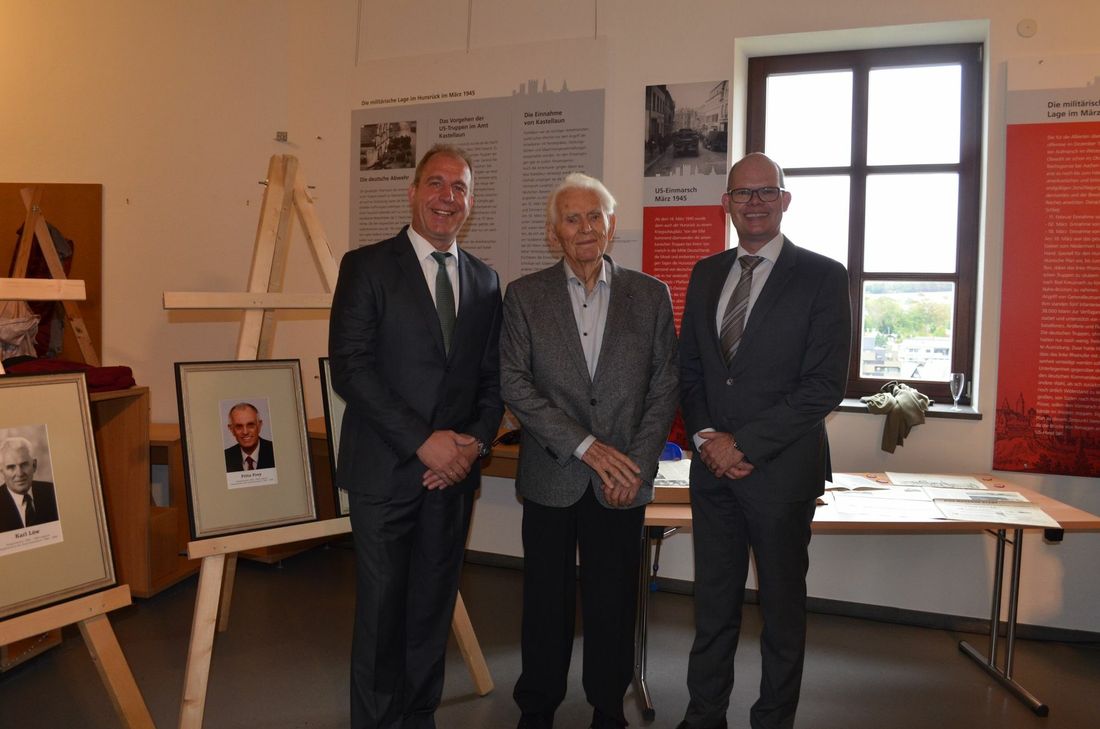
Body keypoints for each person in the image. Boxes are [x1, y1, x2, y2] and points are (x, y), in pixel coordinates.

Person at [329, 143, 504, 729]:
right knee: (382, 615)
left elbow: (492, 379)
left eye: (459, 188)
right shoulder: (367, 267)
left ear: (470, 203)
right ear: (412, 193)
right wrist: (423, 442)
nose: (446, 197)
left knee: (432, 608)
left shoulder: (485, 280)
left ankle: (418, 717)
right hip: (385, 473)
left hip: (452, 479)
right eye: (436, 183)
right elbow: (351, 368)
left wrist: (474, 444)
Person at [675, 152, 852, 729]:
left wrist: (743, 445)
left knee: (781, 610)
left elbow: (824, 386)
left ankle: (773, 719)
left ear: (785, 200)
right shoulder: (706, 273)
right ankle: (704, 715)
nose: (754, 203)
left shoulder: (823, 276)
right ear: (725, 203)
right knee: (712, 604)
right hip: (712, 472)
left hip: (780, 474)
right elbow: (692, 370)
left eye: (765, 191)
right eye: (742, 193)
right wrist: (707, 439)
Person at [500, 173, 679, 729]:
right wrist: (585, 446)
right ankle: (537, 707)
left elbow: (665, 386)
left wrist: (637, 466)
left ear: (612, 225)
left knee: (613, 601)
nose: (584, 228)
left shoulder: (649, 295)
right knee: (545, 603)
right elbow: (514, 384)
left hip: (621, 480)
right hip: (552, 475)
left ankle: (608, 706)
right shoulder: (524, 296)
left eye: (594, 216)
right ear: (554, 232)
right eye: (572, 218)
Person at [0, 436, 60, 532]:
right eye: (11, 467)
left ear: (34, 465)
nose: (19, 473)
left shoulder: (53, 492)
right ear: (2, 471)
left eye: (24, 465)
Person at [223, 402, 275, 472]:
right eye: (239, 427)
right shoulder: (225, 457)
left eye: (250, 425)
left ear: (259, 426)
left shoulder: (275, 450)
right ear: (231, 429)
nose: (245, 432)